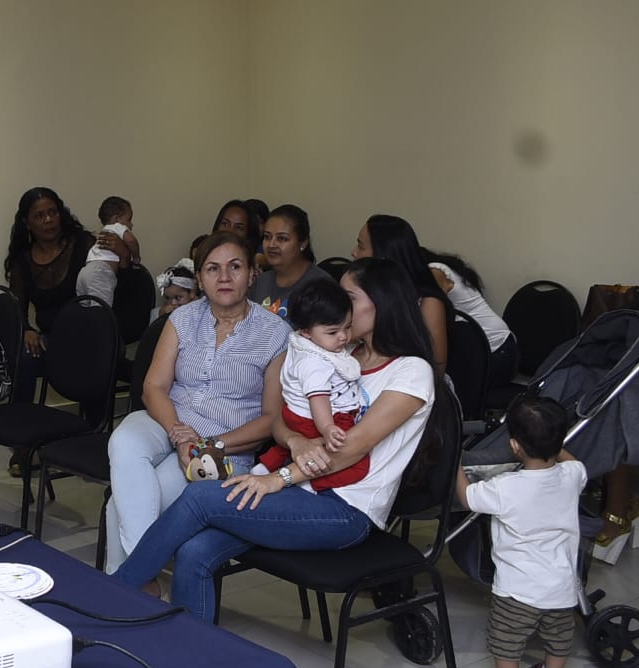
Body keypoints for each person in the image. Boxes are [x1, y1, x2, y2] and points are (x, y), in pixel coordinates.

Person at [113, 257, 438, 621]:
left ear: (383, 303)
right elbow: (283, 421)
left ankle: (114, 597)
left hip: (344, 509)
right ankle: (190, 658)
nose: (338, 305)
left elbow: (347, 451)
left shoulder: (411, 372)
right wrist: (295, 443)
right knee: (194, 550)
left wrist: (275, 479)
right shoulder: (338, 353)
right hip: (297, 492)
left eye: (348, 296)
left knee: (201, 497)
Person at [105, 232, 288, 574]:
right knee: (124, 440)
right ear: (201, 279)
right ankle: (140, 578)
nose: (223, 277)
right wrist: (181, 435)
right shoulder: (183, 319)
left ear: (251, 274)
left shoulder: (275, 333)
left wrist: (209, 444)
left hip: (224, 448)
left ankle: (128, 587)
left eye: (235, 267)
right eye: (212, 268)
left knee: (121, 504)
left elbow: (271, 419)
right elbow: (154, 387)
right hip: (170, 420)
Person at [455, 396, 587, 668]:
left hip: (518, 589)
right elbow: (571, 462)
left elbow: (468, 498)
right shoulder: (574, 475)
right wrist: (555, 447)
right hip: (562, 586)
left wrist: (455, 463)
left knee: (506, 639)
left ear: (514, 446)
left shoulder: (505, 487)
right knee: (559, 637)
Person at [3, 187, 95, 475]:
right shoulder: (23, 259)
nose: (48, 220)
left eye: (52, 212)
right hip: (50, 339)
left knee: (98, 360)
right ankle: (23, 445)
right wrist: (27, 329)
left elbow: (111, 279)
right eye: (39, 215)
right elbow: (17, 305)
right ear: (27, 223)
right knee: (24, 358)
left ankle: (92, 439)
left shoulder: (83, 244)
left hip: (89, 334)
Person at [253, 281, 369, 489]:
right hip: (317, 419)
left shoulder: (303, 345)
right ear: (306, 331)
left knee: (291, 446)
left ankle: (264, 466)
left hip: (294, 415)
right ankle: (311, 482)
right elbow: (319, 398)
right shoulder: (315, 362)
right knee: (356, 464)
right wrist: (327, 428)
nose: (343, 337)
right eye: (333, 332)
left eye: (348, 327)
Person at [351, 214, 450, 374]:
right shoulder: (365, 293)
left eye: (361, 246)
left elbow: (436, 365)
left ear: (382, 255)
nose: (353, 252)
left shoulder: (428, 301)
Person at [424, 247, 518, 385]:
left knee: (438, 382)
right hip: (494, 347)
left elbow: (432, 314)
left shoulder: (436, 271)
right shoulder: (442, 268)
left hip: (495, 350)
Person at [250, 204, 332, 320]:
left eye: (282, 238)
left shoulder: (322, 286)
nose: (271, 245)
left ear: (303, 243)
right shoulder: (261, 282)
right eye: (267, 237)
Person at [75, 195, 141, 306]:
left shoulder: (103, 233)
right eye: (129, 219)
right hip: (101, 273)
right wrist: (136, 257)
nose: (131, 224)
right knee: (102, 313)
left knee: (85, 309)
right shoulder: (117, 227)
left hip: (84, 272)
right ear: (116, 219)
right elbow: (131, 241)